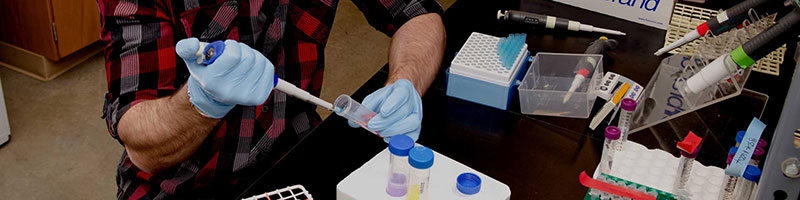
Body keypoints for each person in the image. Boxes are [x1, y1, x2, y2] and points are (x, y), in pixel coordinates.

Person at [98, 0, 445, 198]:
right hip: (179, 187)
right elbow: (142, 144)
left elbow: (418, 13)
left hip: (292, 154)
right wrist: (199, 102)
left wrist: (407, 81)